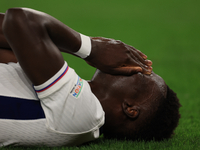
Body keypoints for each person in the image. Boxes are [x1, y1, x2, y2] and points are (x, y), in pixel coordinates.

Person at [0, 8, 181, 147]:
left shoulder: (85, 113)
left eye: (141, 75)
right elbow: (12, 34)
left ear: (129, 108)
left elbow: (19, 19)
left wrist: (91, 48)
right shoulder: (70, 98)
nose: (134, 67)